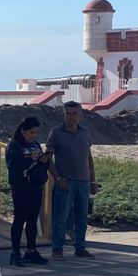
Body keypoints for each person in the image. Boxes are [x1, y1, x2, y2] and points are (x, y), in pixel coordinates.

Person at [46, 101, 97, 258]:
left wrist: (93, 180)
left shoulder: (85, 132)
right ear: (64, 115)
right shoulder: (56, 133)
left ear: (80, 115)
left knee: (81, 217)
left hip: (84, 181)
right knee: (60, 217)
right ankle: (57, 248)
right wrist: (57, 178)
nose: (71, 117)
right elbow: (48, 157)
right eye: (68, 113)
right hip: (65, 182)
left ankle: (80, 247)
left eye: (74, 113)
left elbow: (88, 157)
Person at [4, 116, 50, 266]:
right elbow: (13, 167)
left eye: (36, 132)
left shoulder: (35, 144)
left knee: (32, 220)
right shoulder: (14, 145)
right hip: (20, 187)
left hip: (36, 186)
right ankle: (15, 252)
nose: (34, 135)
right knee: (19, 220)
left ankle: (31, 250)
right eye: (31, 132)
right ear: (23, 131)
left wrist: (43, 160)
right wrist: (30, 158)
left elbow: (40, 164)